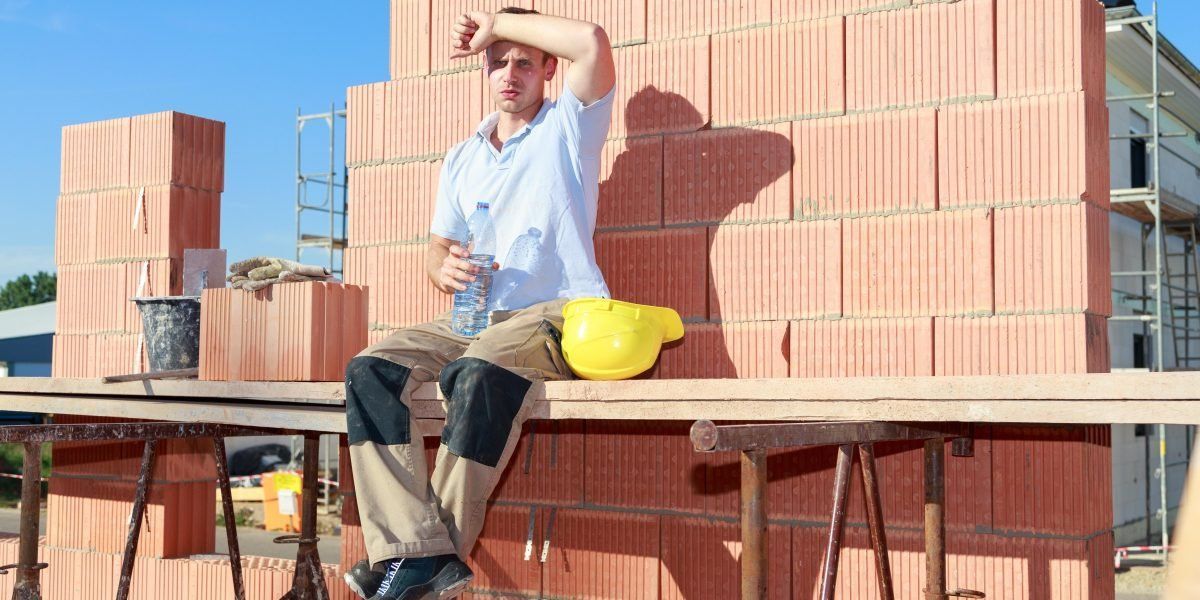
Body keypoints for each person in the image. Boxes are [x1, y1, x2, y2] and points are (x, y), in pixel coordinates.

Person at [342, 7, 616, 600]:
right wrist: (440, 266)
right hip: (472, 315)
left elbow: (591, 41)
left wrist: (498, 23)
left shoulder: (570, 128)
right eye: (497, 62)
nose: (509, 73)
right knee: (369, 370)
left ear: (548, 68)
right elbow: (439, 242)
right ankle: (417, 552)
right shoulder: (463, 156)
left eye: (523, 61)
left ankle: (427, 556)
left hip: (554, 311)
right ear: (484, 73)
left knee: (479, 373)